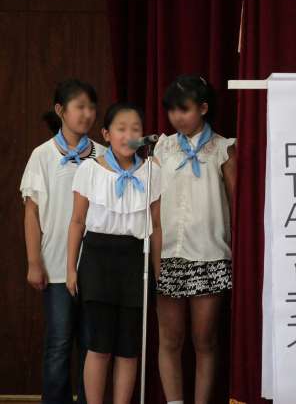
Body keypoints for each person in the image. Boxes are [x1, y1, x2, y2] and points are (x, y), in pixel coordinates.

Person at [67, 102, 162, 404]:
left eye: (135, 129)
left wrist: (158, 272)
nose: (128, 135)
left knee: (128, 348)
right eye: (121, 129)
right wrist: (70, 269)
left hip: (134, 260)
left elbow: (156, 226)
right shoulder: (89, 169)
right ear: (107, 134)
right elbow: (77, 221)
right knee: (99, 346)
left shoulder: (151, 172)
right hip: (97, 260)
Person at [20, 78, 105, 404]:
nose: (87, 114)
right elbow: (31, 213)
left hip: (94, 267)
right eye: (79, 107)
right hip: (55, 267)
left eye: (91, 107)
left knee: (91, 344)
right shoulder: (42, 155)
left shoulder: (103, 155)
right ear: (60, 110)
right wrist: (33, 262)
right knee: (58, 344)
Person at [154, 75, 236, 404]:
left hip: (209, 255)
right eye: (172, 110)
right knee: (170, 340)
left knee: (205, 340)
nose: (177, 117)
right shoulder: (163, 147)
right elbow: (152, 201)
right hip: (167, 255)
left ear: (203, 108)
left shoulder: (223, 148)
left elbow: (237, 204)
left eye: (184, 109)